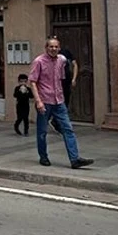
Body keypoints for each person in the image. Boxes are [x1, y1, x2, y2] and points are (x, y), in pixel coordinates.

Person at [29, 38, 94, 169]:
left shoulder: (62, 60)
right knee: (42, 131)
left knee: (68, 129)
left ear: (59, 48)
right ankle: (43, 156)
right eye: (51, 47)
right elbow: (33, 82)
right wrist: (38, 101)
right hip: (45, 101)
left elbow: (61, 79)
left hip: (59, 101)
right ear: (46, 48)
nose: (53, 49)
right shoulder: (39, 61)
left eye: (56, 47)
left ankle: (75, 159)